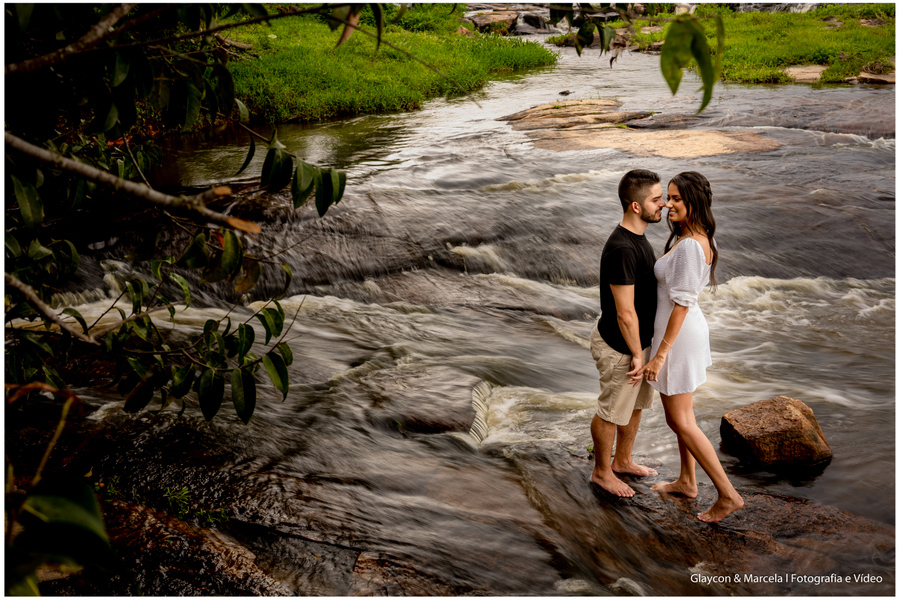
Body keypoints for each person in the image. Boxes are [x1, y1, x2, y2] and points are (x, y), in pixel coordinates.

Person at [642, 171, 744, 523]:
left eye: (675, 199)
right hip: (682, 334)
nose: (668, 205)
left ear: (694, 202)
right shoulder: (696, 238)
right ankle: (687, 481)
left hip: (678, 338)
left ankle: (728, 495)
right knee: (678, 418)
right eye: (667, 198)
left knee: (682, 420)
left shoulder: (688, 246)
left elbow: (682, 304)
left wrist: (660, 355)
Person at [590, 169, 667, 497]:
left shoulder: (639, 238)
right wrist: (636, 353)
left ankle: (622, 460)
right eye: (657, 199)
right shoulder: (622, 247)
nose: (664, 204)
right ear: (636, 206)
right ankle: (601, 472)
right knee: (611, 411)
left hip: (638, 343)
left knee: (634, 405)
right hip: (619, 345)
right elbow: (624, 312)